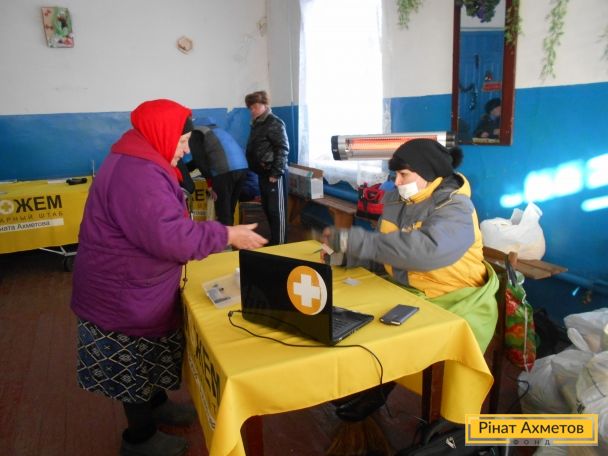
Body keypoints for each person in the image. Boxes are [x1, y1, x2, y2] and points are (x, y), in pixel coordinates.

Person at [71, 99, 267, 456]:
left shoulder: (140, 158)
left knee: (147, 354)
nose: (185, 150)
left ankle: (157, 405)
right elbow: (169, 237)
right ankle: (140, 438)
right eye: (182, 141)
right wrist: (226, 234)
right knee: (131, 362)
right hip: (120, 291)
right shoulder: (139, 174)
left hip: (131, 282)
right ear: (161, 134)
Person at [321, 138, 498, 421]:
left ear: (429, 174)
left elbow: (426, 252)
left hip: (454, 298)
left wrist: (354, 241)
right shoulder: (397, 200)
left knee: (381, 331)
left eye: (403, 174)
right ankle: (373, 383)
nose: (397, 181)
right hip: (408, 289)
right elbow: (389, 250)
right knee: (355, 315)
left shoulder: (456, 208)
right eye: (395, 174)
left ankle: (381, 388)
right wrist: (346, 257)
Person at [244, 90, 289, 245]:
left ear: (265, 105)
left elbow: (282, 148)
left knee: (277, 212)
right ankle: (274, 242)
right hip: (263, 174)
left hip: (274, 174)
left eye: (255, 106)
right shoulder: (257, 124)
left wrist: (276, 173)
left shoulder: (274, 122)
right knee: (268, 209)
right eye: (250, 108)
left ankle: (281, 245)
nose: (252, 110)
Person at [187, 117, 249, 226]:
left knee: (223, 213)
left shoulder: (195, 133)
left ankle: (224, 236)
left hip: (224, 172)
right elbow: (201, 159)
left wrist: (209, 182)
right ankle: (230, 234)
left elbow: (199, 159)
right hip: (242, 168)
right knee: (229, 210)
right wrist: (186, 168)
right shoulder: (217, 131)